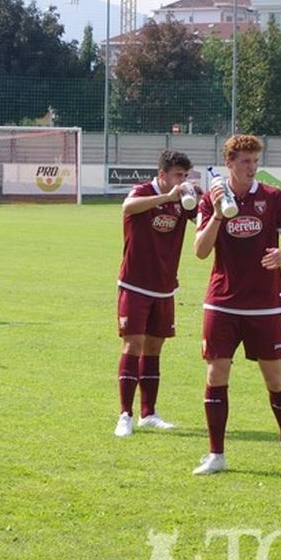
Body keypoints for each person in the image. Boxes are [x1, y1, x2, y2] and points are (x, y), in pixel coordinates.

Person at [191, 134, 281, 475]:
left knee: (274, 379)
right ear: (228, 163)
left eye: (256, 161)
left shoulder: (273, 198)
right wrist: (217, 214)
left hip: (265, 304)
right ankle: (216, 454)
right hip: (222, 301)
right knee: (216, 373)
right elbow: (200, 252)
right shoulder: (212, 199)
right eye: (245, 161)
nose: (252, 167)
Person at [114, 150, 198, 437]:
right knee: (133, 345)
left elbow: (203, 219)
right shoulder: (143, 192)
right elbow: (127, 207)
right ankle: (125, 415)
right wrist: (166, 197)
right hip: (135, 284)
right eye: (177, 175)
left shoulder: (183, 199)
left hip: (164, 287)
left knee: (154, 349)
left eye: (185, 176)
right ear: (162, 175)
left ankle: (148, 413)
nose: (182, 181)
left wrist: (207, 199)